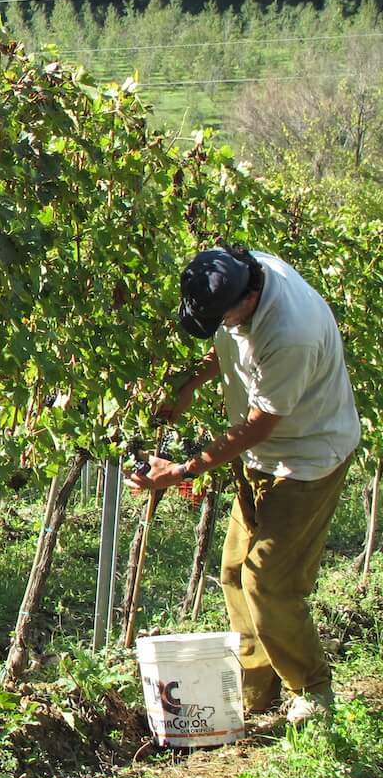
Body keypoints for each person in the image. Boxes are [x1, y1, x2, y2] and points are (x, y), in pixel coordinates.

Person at [132, 245, 360, 725]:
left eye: (223, 319)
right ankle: (255, 691)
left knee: (268, 581)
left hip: (305, 459)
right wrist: (191, 383)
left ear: (249, 300)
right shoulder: (236, 273)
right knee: (235, 571)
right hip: (260, 458)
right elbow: (229, 348)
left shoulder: (289, 334)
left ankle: (313, 692)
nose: (221, 328)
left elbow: (260, 424)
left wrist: (181, 470)